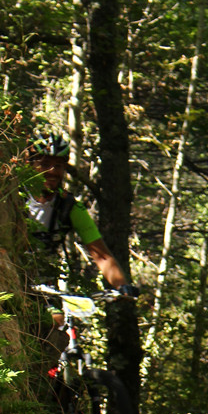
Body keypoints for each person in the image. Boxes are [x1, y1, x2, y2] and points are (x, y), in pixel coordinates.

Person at [22, 131, 137, 363]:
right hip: (11, 273)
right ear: (29, 164)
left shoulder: (69, 207)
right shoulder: (12, 196)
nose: (53, 171)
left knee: (55, 320)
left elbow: (101, 254)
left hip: (42, 280)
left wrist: (122, 286)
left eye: (58, 165)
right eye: (45, 164)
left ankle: (49, 382)